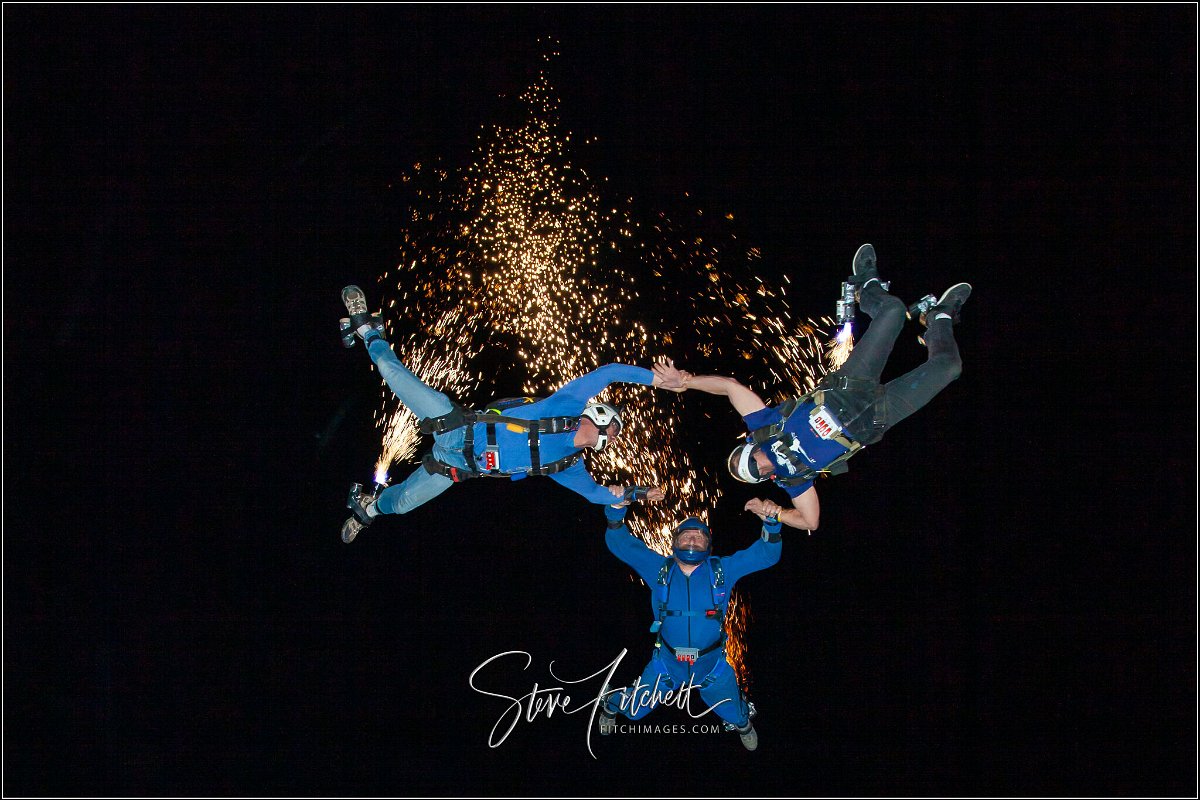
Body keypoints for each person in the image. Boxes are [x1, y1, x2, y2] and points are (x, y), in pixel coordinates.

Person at [653, 244, 971, 531]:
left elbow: (730, 387)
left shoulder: (765, 427)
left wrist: (687, 381)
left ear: (752, 447)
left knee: (893, 311)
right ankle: (940, 319)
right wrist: (776, 512)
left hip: (848, 387)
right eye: (756, 472)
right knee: (949, 368)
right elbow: (811, 521)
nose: (760, 465)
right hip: (876, 419)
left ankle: (866, 285)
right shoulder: (795, 479)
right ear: (765, 478)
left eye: (752, 460)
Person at [338, 285, 683, 543]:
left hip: (455, 467)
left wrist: (637, 494)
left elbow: (597, 495)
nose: (617, 440)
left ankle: (367, 508)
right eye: (618, 431)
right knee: (394, 375)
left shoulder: (569, 466)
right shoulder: (566, 407)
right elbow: (608, 373)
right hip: (456, 427)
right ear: (603, 418)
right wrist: (656, 380)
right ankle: (368, 330)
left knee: (402, 504)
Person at [596, 496, 786, 751]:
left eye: (699, 537)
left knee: (735, 713)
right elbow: (621, 544)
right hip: (667, 665)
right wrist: (615, 511)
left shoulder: (721, 570)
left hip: (711, 666)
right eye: (687, 536)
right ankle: (610, 703)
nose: (693, 540)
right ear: (675, 542)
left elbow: (766, 556)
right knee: (635, 710)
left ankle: (742, 725)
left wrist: (772, 524)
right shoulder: (659, 568)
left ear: (709, 545)